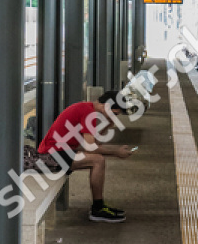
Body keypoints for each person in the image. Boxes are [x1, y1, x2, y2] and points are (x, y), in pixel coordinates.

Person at [37, 91, 138, 221]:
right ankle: (98, 208)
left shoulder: (88, 109)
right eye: (115, 113)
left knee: (97, 158)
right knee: (98, 161)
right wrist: (116, 152)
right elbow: (91, 148)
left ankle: (99, 206)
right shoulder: (87, 112)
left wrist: (107, 124)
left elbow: (94, 144)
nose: (115, 117)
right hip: (52, 154)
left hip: (60, 151)